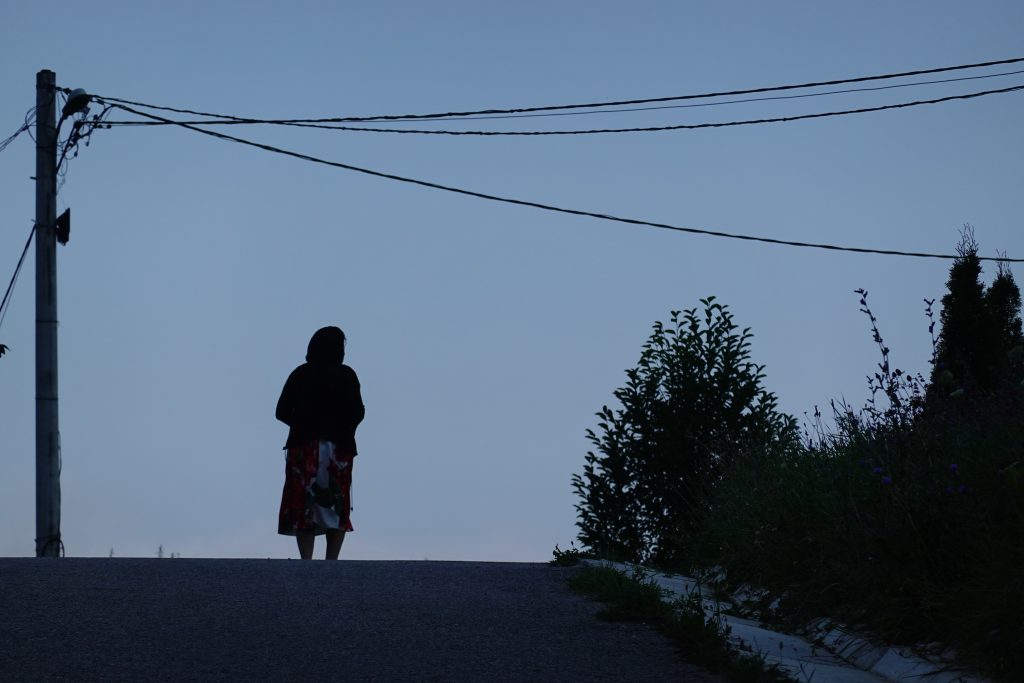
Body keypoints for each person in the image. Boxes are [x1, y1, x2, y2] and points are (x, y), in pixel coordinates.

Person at [276, 326, 365, 560]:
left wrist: (302, 424)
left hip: (303, 447)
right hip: (339, 449)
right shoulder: (347, 375)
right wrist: (343, 428)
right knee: (336, 504)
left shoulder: (300, 374)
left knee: (303, 505)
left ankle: (306, 560)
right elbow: (358, 412)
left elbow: (281, 411)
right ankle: (331, 561)